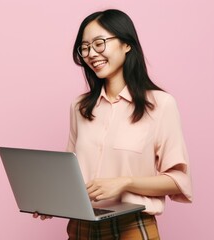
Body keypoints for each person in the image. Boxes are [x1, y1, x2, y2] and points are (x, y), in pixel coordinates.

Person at [34, 9, 192, 239]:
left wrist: (124, 183)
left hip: (132, 228)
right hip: (81, 226)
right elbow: (71, 175)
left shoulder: (160, 104)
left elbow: (179, 181)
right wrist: (52, 200)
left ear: (127, 44)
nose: (91, 54)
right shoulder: (80, 107)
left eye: (99, 43)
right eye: (85, 47)